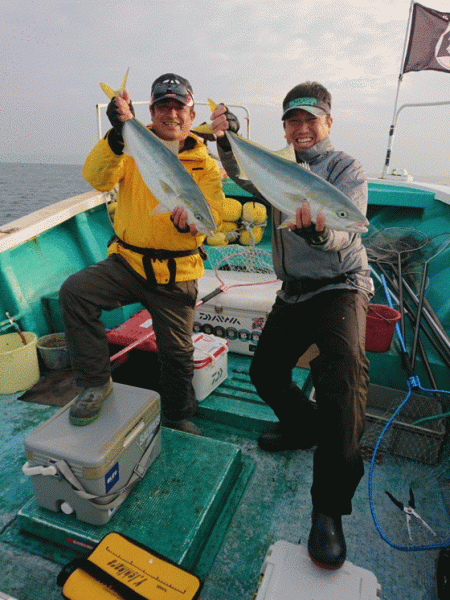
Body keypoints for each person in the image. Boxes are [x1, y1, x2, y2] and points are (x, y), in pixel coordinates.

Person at [211, 82, 373, 569]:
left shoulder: (345, 168)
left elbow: (349, 230)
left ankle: (328, 508)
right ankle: (305, 427)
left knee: (343, 381)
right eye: (293, 121)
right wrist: (227, 139)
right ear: (284, 127)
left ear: (328, 122)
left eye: (311, 120)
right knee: (265, 373)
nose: (302, 129)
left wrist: (321, 230)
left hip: (341, 285)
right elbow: (242, 174)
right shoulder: (275, 165)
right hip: (294, 290)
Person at [60, 73, 224, 434]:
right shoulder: (132, 145)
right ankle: (95, 383)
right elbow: (97, 178)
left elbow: (214, 211)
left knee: (177, 353)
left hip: (176, 272)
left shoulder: (205, 164)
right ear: (151, 111)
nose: (171, 115)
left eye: (178, 107)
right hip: (127, 263)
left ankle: (177, 413)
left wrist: (190, 225)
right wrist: (119, 134)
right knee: (75, 292)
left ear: (191, 113)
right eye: (163, 107)